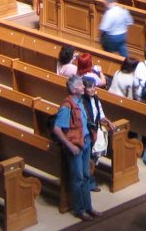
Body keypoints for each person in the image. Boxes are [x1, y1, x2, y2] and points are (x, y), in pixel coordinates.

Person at [50, 76, 99, 220]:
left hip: (85, 142)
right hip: (75, 145)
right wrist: (70, 145)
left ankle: (89, 207)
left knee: (86, 176)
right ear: (73, 89)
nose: (84, 87)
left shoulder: (80, 102)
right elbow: (57, 129)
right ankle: (79, 209)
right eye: (80, 85)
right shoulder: (66, 106)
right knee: (78, 178)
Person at [80, 74, 116, 193]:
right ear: (84, 88)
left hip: (94, 130)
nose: (93, 89)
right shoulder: (81, 101)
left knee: (93, 158)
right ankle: (87, 183)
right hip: (86, 133)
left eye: (94, 87)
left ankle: (91, 181)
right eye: (89, 87)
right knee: (87, 159)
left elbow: (100, 115)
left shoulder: (95, 98)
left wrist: (108, 121)